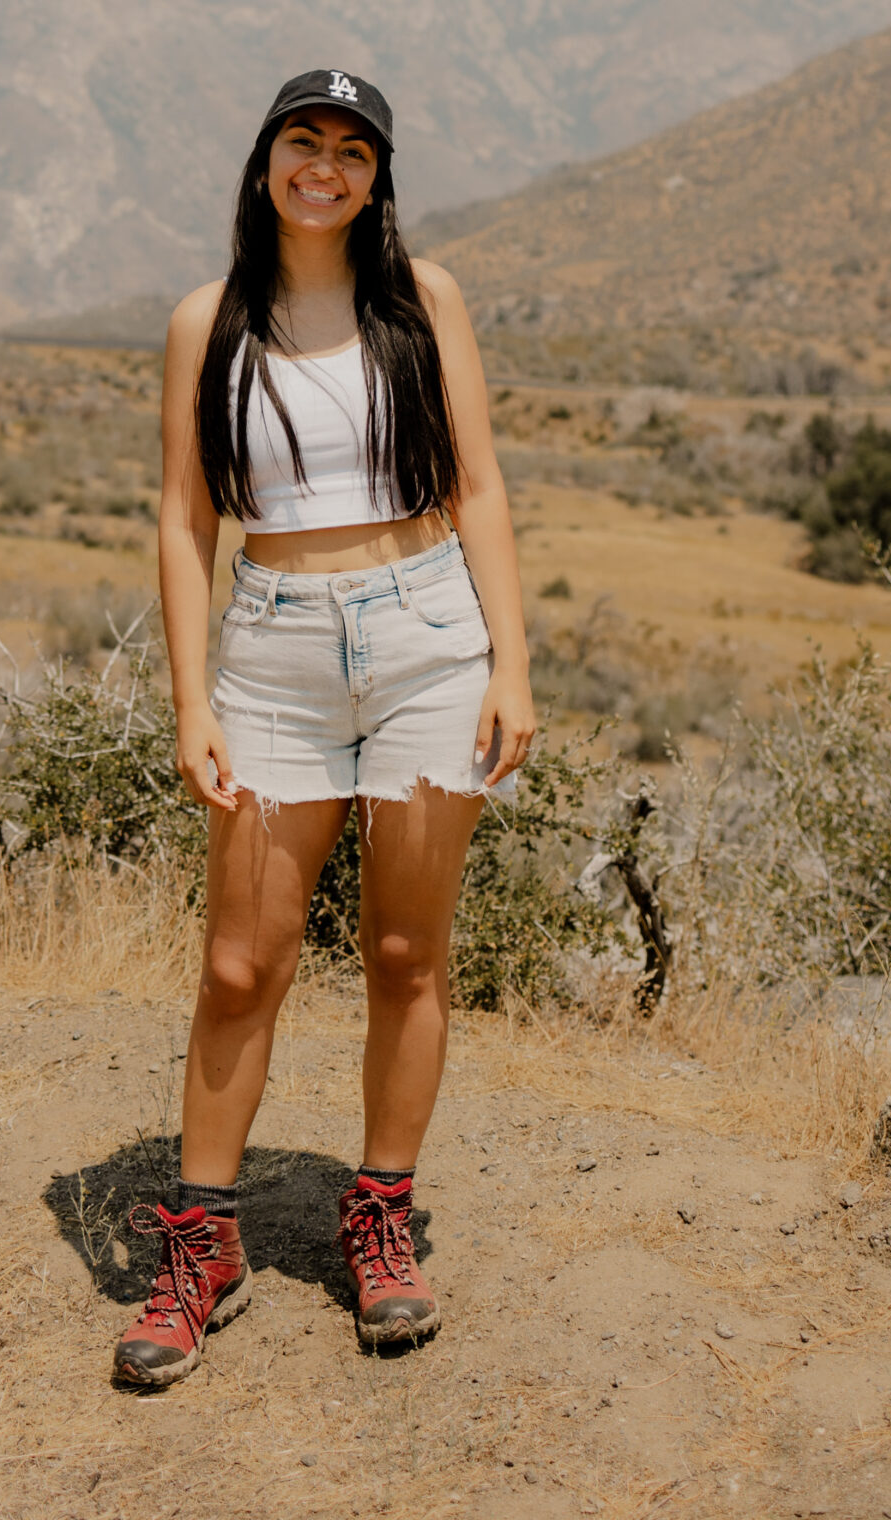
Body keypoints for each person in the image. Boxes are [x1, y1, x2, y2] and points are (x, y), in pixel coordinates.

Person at [112, 68, 537, 1388]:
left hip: (425, 636)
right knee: (243, 961)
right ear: (265, 162)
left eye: (355, 151)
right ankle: (201, 1250)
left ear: (377, 179)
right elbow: (187, 522)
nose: (327, 167)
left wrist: (511, 665)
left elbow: (476, 486)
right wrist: (191, 697)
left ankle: (382, 1224)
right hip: (274, 650)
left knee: (408, 948)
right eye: (306, 141)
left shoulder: (424, 302)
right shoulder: (207, 322)